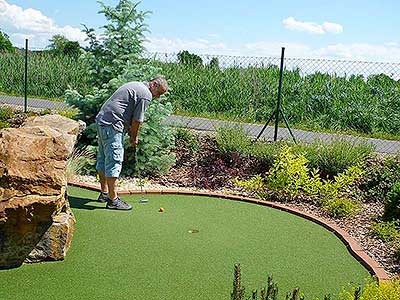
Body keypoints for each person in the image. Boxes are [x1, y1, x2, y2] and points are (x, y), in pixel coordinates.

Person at [95, 77, 168, 210]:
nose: (158, 97)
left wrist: (128, 126)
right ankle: (113, 200)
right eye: (159, 93)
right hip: (112, 125)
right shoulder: (146, 94)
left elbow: (124, 108)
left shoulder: (136, 85)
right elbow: (137, 120)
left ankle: (105, 193)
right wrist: (134, 137)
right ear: (154, 84)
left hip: (102, 121)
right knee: (114, 160)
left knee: (103, 157)